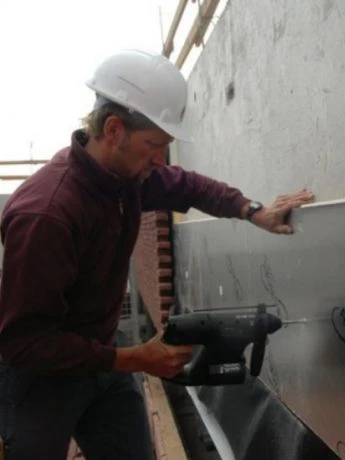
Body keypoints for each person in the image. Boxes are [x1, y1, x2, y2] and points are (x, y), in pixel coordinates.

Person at [0, 49, 314, 459]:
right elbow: (25, 342)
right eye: (153, 145)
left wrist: (254, 211)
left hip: (102, 359)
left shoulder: (125, 176)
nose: (160, 160)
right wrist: (134, 358)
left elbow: (189, 186)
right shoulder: (48, 215)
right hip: (40, 377)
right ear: (114, 130)